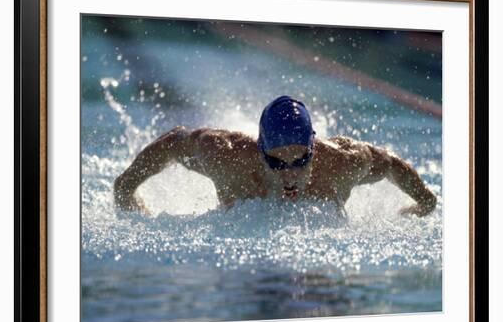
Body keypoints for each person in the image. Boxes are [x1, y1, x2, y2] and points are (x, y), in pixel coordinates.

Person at [114, 95, 437, 216]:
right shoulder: (229, 159)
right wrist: (126, 187)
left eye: (300, 161)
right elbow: (175, 142)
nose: (289, 174)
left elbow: (391, 164)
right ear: (260, 150)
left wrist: (423, 201)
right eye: (276, 162)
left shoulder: (341, 163)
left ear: (314, 150)